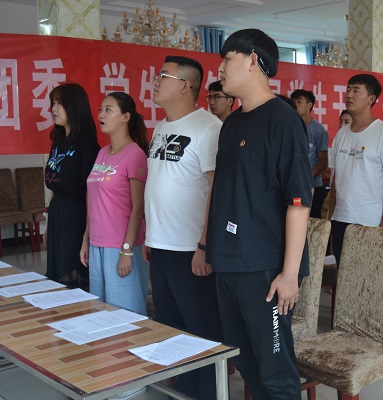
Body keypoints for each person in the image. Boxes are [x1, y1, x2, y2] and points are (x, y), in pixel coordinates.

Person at [206, 28, 312, 399]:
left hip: (265, 268)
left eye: (227, 59)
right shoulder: (232, 123)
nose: (220, 69)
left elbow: (298, 202)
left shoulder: (283, 121)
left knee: (275, 372)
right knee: (247, 365)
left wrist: (289, 273)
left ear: (252, 60)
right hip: (229, 263)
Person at [143, 56, 223, 399]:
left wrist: (204, 246)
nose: (155, 81)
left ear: (185, 86)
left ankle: (209, 393)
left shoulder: (208, 128)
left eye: (163, 76)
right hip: (160, 245)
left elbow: (216, 190)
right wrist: (150, 235)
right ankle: (183, 390)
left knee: (201, 329)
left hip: (191, 249)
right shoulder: (161, 127)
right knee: (171, 327)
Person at [81, 92, 149, 316]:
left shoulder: (135, 154)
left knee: (124, 314)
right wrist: (86, 239)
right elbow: (93, 200)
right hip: (97, 243)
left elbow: (138, 208)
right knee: (100, 312)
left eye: (108, 110)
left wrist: (127, 251)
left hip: (121, 246)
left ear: (125, 117)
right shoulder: (102, 153)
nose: (101, 115)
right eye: (100, 109)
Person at [329, 73, 383, 265]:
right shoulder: (341, 135)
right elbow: (336, 178)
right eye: (348, 90)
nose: (349, 95)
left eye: (356, 91)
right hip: (340, 219)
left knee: (365, 275)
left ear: (371, 99)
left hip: (369, 221)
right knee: (342, 274)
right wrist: (331, 216)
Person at [43, 83, 100, 288]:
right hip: (57, 211)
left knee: (72, 271)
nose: (54, 109)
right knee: (56, 271)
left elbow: (91, 191)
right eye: (53, 103)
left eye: (60, 104)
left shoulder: (87, 143)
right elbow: (55, 186)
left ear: (75, 106)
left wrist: (87, 232)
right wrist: (48, 223)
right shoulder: (59, 140)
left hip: (76, 214)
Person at [291, 89, 329, 218]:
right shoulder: (290, 126)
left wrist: (305, 177)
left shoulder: (318, 130)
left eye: (299, 101)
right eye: (293, 101)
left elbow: (323, 163)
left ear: (309, 105)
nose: (295, 104)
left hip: (313, 186)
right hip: (293, 185)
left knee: (311, 223)